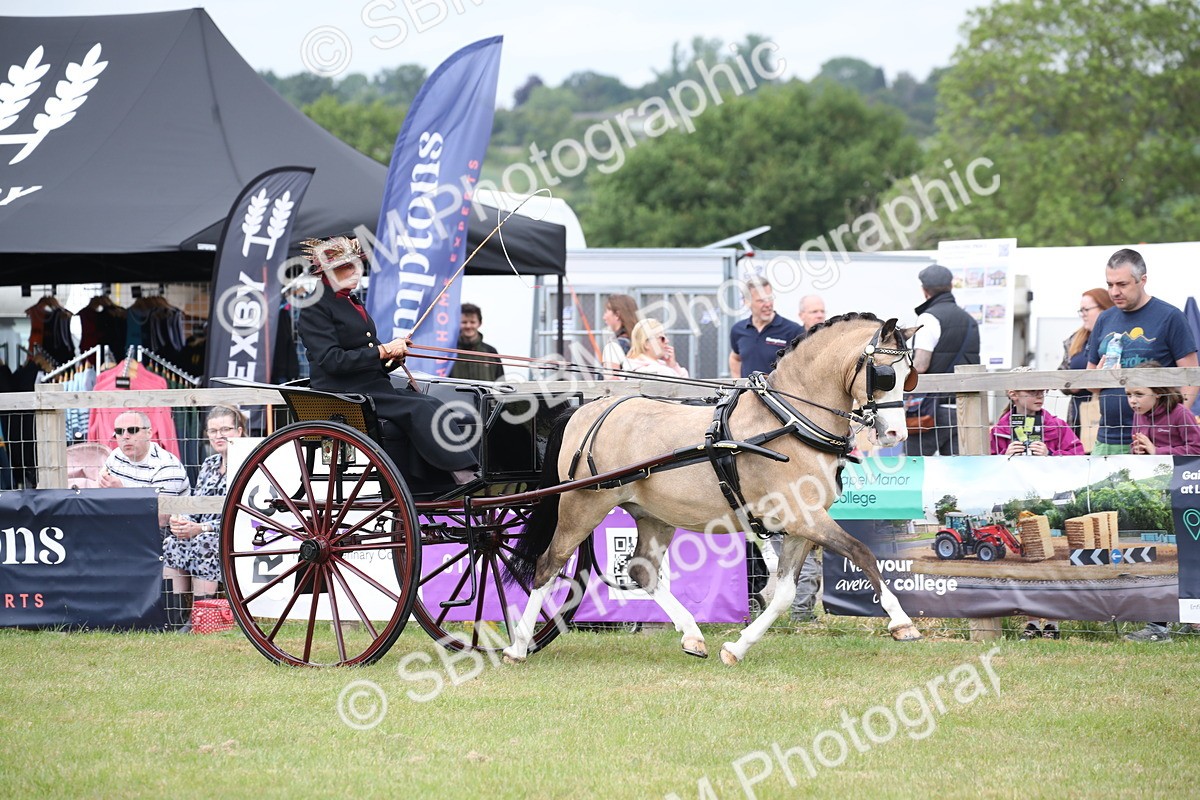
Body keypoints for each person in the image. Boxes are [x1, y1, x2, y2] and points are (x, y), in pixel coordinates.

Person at [296, 235, 478, 493]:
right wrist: (383, 350)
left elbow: (370, 355)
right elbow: (332, 360)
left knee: (432, 402)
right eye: (347, 267)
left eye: (356, 266)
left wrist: (393, 358)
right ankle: (461, 475)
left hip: (370, 386)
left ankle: (434, 481)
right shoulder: (315, 308)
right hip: (343, 394)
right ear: (328, 272)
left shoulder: (350, 301)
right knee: (420, 409)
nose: (355, 272)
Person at [1086, 249, 1198, 456]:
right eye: (1109, 285)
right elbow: (1090, 385)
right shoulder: (1104, 319)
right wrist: (1098, 378)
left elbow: (1192, 376)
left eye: (1122, 284)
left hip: (1152, 442)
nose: (1114, 292)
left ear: (1142, 280)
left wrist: (1173, 422)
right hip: (1107, 437)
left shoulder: (1170, 317)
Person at [98, 410, 191, 630]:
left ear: (149, 433)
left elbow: (160, 519)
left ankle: (166, 620)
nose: (125, 436)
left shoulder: (166, 465)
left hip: (171, 530)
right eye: (119, 432)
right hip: (126, 525)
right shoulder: (114, 457)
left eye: (132, 430)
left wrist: (122, 491)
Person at [165, 405, 246, 630]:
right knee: (173, 542)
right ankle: (177, 617)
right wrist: (180, 520)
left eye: (225, 429)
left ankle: (201, 618)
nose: (218, 435)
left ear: (239, 431)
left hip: (232, 531)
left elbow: (243, 514)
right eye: (213, 431)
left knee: (204, 543)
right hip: (199, 528)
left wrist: (202, 528)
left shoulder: (248, 464)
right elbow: (195, 503)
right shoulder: (209, 464)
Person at [906, 264, 981, 456]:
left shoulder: (929, 318)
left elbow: (921, 366)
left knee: (914, 467)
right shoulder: (969, 320)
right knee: (957, 474)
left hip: (933, 411)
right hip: (964, 408)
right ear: (951, 286)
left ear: (924, 291)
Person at [1058, 288, 1114, 441]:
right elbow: (1062, 371)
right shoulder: (1074, 339)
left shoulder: (1115, 338)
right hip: (1078, 416)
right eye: (1080, 310)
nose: (1083, 314)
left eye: (1086, 309)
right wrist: (1070, 385)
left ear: (1104, 308)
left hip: (1109, 416)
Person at [990, 376, 1085, 457]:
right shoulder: (999, 430)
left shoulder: (1058, 425)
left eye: (1042, 391)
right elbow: (988, 463)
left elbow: (1077, 454)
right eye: (1032, 391)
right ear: (1013, 395)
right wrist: (1005, 457)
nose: (1040, 396)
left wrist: (1050, 454)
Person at [728, 278, 804, 379]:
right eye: (761, 300)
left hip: (778, 394)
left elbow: (803, 367)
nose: (768, 304)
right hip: (747, 394)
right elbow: (735, 358)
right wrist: (737, 384)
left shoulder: (794, 331)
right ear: (747, 302)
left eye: (770, 298)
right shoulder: (738, 330)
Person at [1127, 362, 1200, 456]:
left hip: (1177, 468)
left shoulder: (1181, 413)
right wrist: (1137, 449)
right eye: (1128, 395)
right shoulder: (1138, 413)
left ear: (1158, 392)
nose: (1132, 400)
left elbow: (1196, 449)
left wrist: (1157, 451)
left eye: (1139, 394)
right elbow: (1138, 445)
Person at [449, 302, 503, 382]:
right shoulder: (448, 352)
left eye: (472, 322)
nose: (468, 326)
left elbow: (501, 384)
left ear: (479, 323)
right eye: (464, 322)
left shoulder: (491, 352)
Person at [623, 319, 689, 378]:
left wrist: (672, 365)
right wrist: (673, 367)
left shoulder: (629, 366)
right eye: (662, 338)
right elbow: (686, 388)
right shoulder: (660, 371)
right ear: (646, 344)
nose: (667, 341)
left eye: (666, 337)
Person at [600, 294, 639, 378]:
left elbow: (611, 387)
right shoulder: (643, 344)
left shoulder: (613, 347)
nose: (604, 317)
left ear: (617, 315)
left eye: (606, 312)